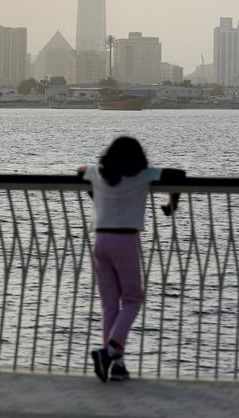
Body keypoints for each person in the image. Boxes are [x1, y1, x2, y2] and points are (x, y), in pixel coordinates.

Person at [78, 136, 184, 383]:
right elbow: (179, 175)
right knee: (134, 299)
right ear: (137, 158)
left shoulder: (96, 173)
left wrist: (96, 198)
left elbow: (79, 170)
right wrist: (172, 205)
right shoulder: (142, 175)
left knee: (110, 306)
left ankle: (117, 366)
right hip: (124, 241)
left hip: (100, 240)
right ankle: (111, 350)